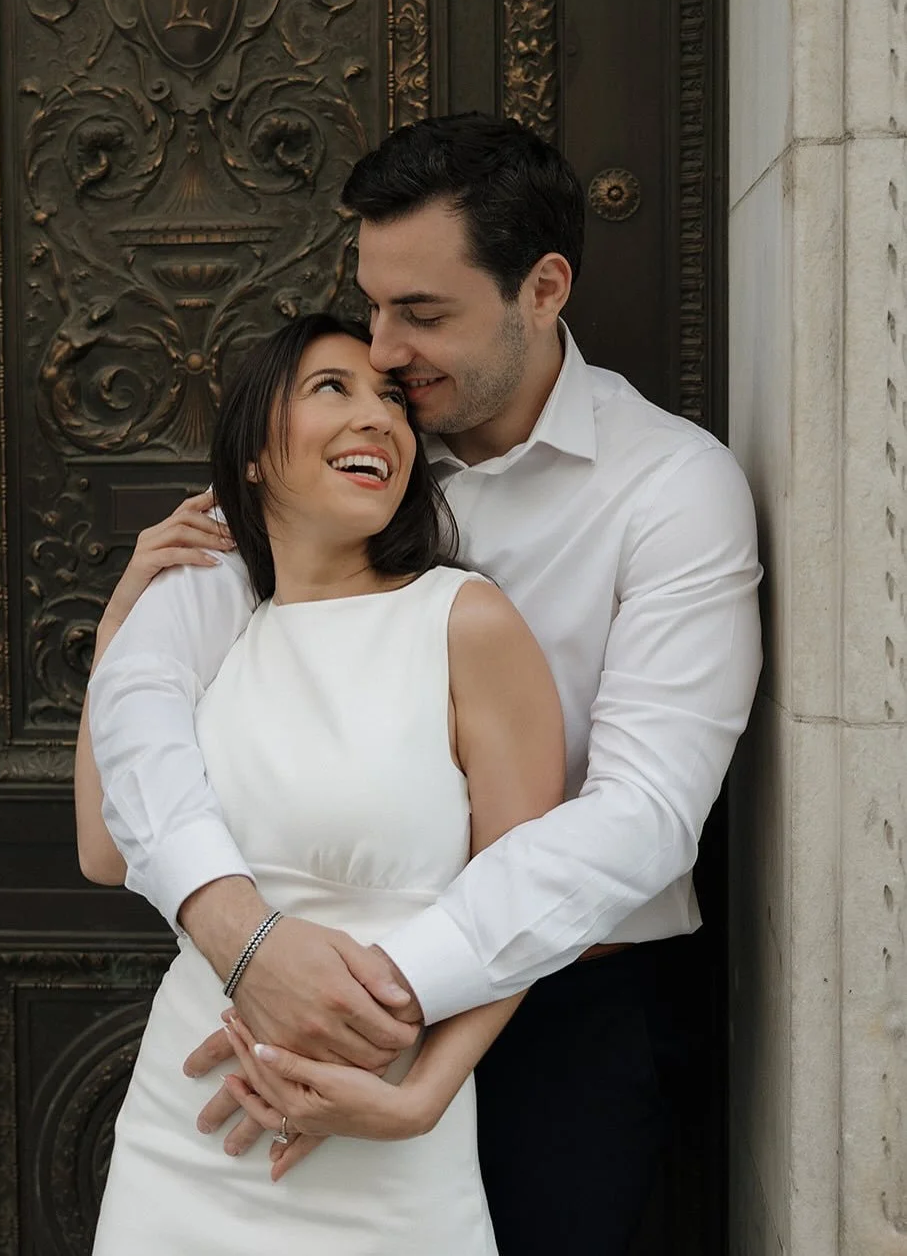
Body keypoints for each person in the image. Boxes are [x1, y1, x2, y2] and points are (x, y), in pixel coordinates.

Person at [82, 113, 763, 1255]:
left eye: (424, 313)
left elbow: (643, 817)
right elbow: (143, 716)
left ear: (542, 288)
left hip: (561, 1024)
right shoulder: (328, 464)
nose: (385, 350)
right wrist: (241, 937)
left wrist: (383, 1001)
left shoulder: (671, 490)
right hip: (262, 1010)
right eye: (374, 303)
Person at [82, 313, 565, 1254]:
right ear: (252, 455)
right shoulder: (215, 634)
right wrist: (124, 618)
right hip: (187, 1126)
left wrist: (420, 1088)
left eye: (391, 399)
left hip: (376, 1132)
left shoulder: (463, 620)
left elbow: (529, 901)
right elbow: (106, 851)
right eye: (331, 389)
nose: (378, 417)